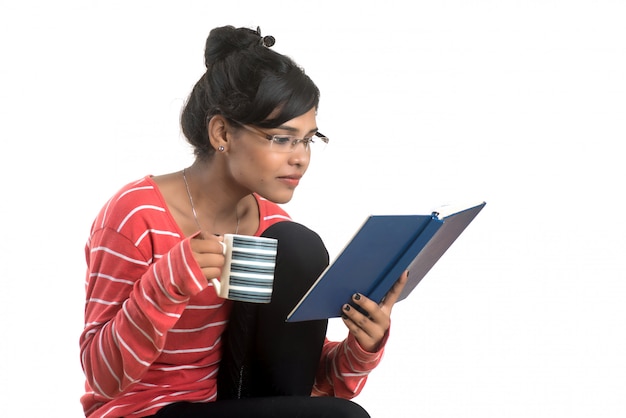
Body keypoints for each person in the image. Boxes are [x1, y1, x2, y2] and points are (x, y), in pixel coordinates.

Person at [79, 25, 408, 418]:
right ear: (222, 132)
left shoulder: (272, 224)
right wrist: (167, 283)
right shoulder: (136, 214)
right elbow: (102, 377)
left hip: (227, 404)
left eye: (308, 140)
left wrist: (360, 348)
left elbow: (305, 387)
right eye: (282, 138)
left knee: (295, 245)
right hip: (142, 412)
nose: (300, 157)